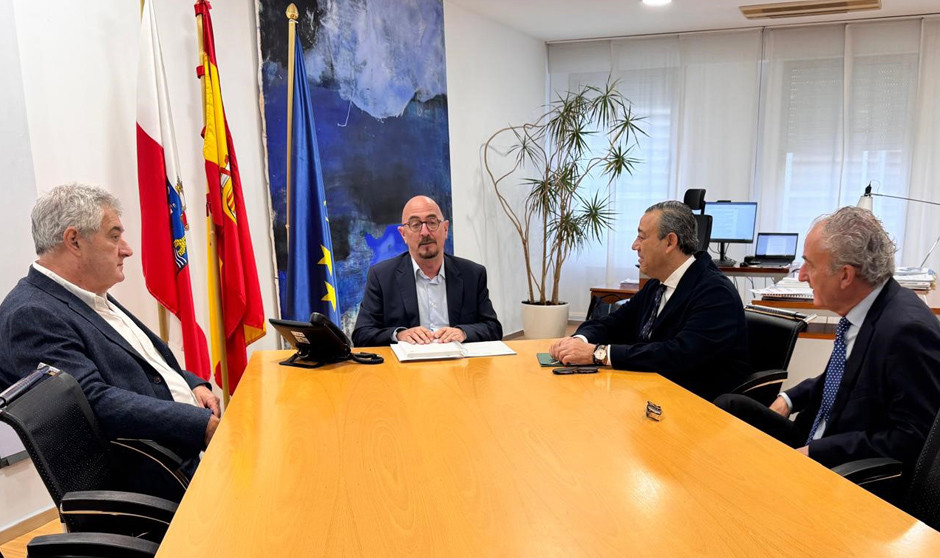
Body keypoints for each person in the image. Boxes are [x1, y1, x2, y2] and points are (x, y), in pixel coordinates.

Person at [0, 184, 220, 468]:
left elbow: (142, 364)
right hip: (160, 472)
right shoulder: (31, 313)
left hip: (183, 451)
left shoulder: (86, 294)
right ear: (74, 241)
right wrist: (198, 424)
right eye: (114, 236)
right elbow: (89, 403)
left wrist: (192, 385)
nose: (127, 250)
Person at [715, 207, 940, 477]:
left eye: (809, 264)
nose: (801, 276)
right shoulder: (863, 309)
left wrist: (816, 453)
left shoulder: (906, 331)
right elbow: (843, 377)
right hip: (814, 436)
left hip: (844, 467)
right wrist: (789, 398)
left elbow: (914, 438)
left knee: (739, 470)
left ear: (845, 275)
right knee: (730, 406)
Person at [549, 200, 748, 401]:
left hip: (694, 407)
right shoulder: (657, 285)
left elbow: (678, 355)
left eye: (641, 237)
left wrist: (598, 354)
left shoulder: (715, 292)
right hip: (651, 392)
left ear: (670, 242)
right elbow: (613, 323)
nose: (634, 245)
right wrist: (578, 341)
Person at [352, 195, 502, 346]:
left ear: (445, 229)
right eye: (415, 224)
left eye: (432, 222)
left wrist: (463, 332)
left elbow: (494, 328)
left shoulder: (473, 274)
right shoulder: (382, 276)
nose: (425, 232)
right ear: (403, 234)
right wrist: (399, 335)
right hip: (407, 367)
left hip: (460, 364)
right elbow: (362, 334)